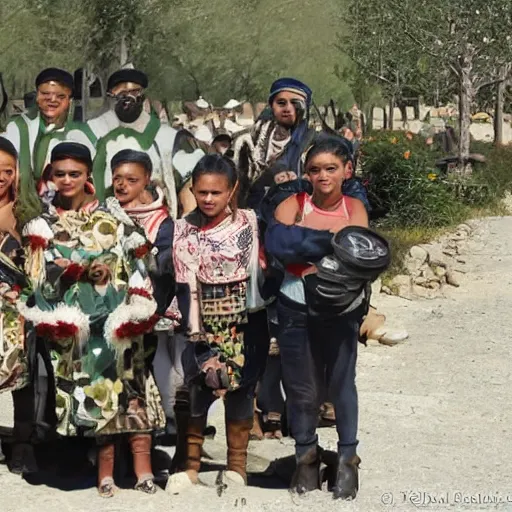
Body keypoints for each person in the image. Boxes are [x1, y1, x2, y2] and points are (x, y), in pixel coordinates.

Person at [20, 142, 165, 497]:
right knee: (99, 395)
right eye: (60, 174)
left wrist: (135, 306)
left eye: (75, 173)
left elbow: (140, 265)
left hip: (120, 319)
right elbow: (37, 283)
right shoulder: (43, 225)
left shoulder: (113, 217)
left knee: (134, 392)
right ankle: (105, 473)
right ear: (49, 176)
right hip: (80, 327)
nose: (67, 180)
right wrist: (70, 274)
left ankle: (144, 471)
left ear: (88, 176)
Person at [265, 136, 371, 500]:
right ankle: (306, 458)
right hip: (294, 306)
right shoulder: (293, 202)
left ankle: (347, 460)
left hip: (341, 309)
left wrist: (303, 239)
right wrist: (330, 238)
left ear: (347, 171)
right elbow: (277, 245)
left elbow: (361, 253)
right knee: (301, 389)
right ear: (305, 172)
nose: (323, 176)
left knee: (342, 385)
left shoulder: (355, 207)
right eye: (314, 169)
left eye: (331, 168)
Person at [169, 154, 268, 490]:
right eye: (201, 192)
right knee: (196, 388)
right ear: (193, 191)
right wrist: (199, 340)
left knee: (240, 393)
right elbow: (185, 287)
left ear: (232, 190)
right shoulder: (181, 229)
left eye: (216, 192)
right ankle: (190, 467)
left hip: (245, 323)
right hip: (201, 322)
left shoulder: (252, 223)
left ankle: (237, 467)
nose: (208, 199)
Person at [110, 149, 185, 445]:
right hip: (115, 306)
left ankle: (171, 422)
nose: (122, 185)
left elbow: (164, 263)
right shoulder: (106, 214)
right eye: (117, 178)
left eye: (131, 179)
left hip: (155, 306)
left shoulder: (162, 223)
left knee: (160, 365)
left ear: (145, 182)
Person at [85, 68, 204, 216]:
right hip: (101, 223)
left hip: (157, 224)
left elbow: (193, 179)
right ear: (111, 95)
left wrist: (187, 223)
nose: (128, 98)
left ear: (143, 95)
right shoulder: (93, 131)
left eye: (134, 92)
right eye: (121, 93)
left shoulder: (168, 137)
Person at [2, 68, 96, 226]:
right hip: (18, 215)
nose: (52, 100)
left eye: (60, 96)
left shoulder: (82, 135)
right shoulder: (17, 128)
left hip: (67, 219)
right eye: (45, 94)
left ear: (69, 101)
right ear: (37, 96)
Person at [0, 137, 39, 474]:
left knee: (19, 376)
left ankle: (22, 445)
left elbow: (38, 266)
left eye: (7, 170)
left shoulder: (27, 213)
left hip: (16, 308)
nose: (1, 176)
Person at [234, 77, 316, 209]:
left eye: (295, 103)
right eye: (281, 103)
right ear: (272, 106)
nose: (287, 108)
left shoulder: (314, 144)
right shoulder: (247, 141)